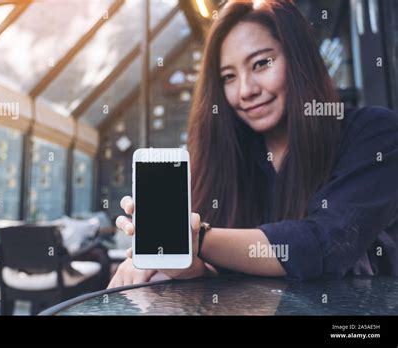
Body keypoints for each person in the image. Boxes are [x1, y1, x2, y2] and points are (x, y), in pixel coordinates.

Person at [108, 0, 398, 288]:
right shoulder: (229, 159)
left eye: (261, 64)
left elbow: (326, 243)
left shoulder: (374, 134)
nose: (246, 90)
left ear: (299, 59)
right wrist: (178, 265)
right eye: (229, 77)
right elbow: (224, 279)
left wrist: (192, 239)